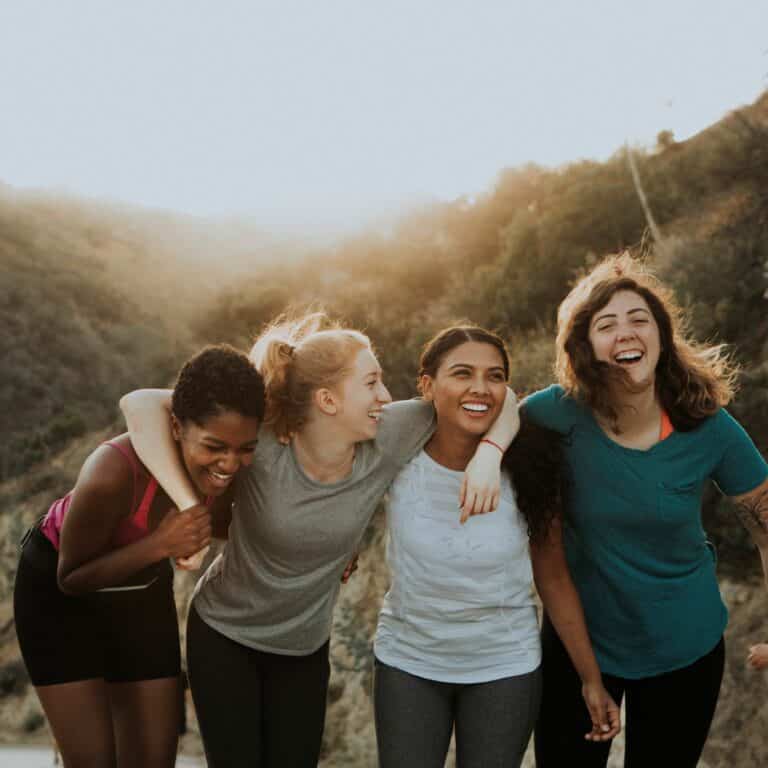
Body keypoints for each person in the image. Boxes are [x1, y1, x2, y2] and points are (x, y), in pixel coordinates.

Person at [119, 313, 517, 768]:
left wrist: (490, 455)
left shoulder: (389, 434)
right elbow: (140, 404)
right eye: (371, 383)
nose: (386, 397)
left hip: (303, 650)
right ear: (328, 399)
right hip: (225, 636)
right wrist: (191, 508)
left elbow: (495, 400)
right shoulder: (264, 441)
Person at [523, 254, 768, 767]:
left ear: (661, 335)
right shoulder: (556, 413)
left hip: (685, 646)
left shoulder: (709, 426)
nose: (626, 332)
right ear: (585, 347)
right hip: (580, 642)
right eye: (606, 324)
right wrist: (484, 458)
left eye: (640, 319)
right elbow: (494, 412)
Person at [372, 326, 620, 768]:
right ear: (427, 385)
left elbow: (553, 576)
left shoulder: (532, 466)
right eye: (462, 373)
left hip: (503, 666)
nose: (480, 389)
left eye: (495, 376)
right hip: (408, 659)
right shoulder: (397, 450)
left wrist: (591, 678)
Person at [13, 345, 264, 768]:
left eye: (245, 449)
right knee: (93, 762)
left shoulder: (228, 470)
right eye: (215, 446)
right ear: (177, 427)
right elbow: (70, 577)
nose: (229, 463)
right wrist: (160, 545)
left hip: (140, 592)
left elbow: (238, 526)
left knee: (152, 760)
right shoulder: (113, 471)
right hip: (57, 598)